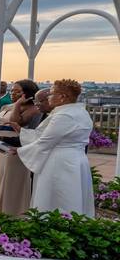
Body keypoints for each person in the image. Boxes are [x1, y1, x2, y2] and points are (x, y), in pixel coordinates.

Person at [15, 79, 95, 216]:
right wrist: (22, 132)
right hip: (76, 161)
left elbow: (45, 141)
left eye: (51, 94)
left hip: (60, 163)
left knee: (57, 200)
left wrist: (19, 151)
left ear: (62, 97)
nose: (48, 97)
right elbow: (44, 136)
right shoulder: (80, 112)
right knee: (72, 197)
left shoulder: (64, 115)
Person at [0, 79, 41, 217]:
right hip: (0, 147)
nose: (13, 93)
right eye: (12, 90)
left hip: (15, 149)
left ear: (27, 93)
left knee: (10, 184)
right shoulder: (6, 106)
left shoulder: (33, 109)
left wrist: (18, 104)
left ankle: (10, 214)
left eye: (17, 91)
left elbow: (15, 122)